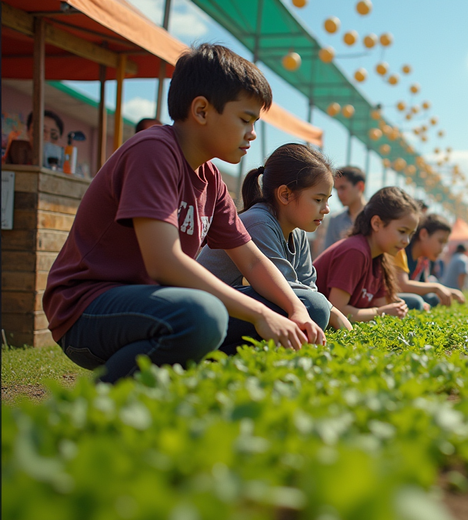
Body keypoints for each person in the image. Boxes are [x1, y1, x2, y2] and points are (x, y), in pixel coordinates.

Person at [42, 44, 326, 384]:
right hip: (87, 310)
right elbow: (164, 263)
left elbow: (251, 262)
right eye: (245, 120)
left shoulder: (211, 179)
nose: (252, 134)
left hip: (158, 305)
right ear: (202, 110)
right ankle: (97, 403)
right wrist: (261, 314)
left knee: (310, 307)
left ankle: (200, 384)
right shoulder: (154, 151)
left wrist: (293, 310)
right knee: (202, 316)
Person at [197, 143, 351, 331]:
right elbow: (282, 288)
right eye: (318, 200)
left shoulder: (298, 231)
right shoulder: (259, 222)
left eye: (327, 200)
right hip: (207, 309)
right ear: (285, 195)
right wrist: (330, 309)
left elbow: (307, 286)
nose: (326, 209)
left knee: (314, 305)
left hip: (236, 307)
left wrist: (328, 309)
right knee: (314, 307)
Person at [313, 186, 420, 324]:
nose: (406, 241)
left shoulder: (380, 257)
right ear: (376, 223)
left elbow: (380, 304)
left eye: (410, 234)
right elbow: (337, 311)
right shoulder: (355, 252)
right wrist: (380, 313)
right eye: (402, 231)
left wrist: (396, 308)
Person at [396, 213, 466, 309]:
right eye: (440, 241)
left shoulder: (423, 260)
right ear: (424, 234)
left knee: (432, 298)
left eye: (445, 244)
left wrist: (448, 291)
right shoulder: (402, 251)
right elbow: (402, 285)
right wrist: (436, 288)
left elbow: (424, 285)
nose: (442, 249)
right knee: (416, 302)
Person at [316, 165, 366, 254]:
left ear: (360, 186)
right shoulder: (335, 220)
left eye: (343, 188)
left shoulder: (375, 217)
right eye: (336, 189)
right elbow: (328, 254)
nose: (339, 193)